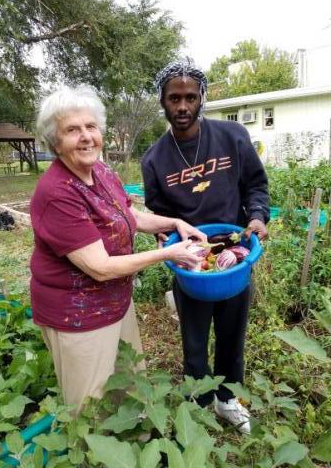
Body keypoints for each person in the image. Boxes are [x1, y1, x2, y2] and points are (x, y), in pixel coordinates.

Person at [30, 85, 206, 415]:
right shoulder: (57, 193)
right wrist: (169, 253)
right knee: (92, 406)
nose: (85, 137)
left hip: (115, 299)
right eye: (72, 130)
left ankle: (133, 447)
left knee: (128, 385)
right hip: (77, 315)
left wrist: (174, 223)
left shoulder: (100, 170)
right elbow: (100, 267)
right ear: (55, 142)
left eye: (90, 127)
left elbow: (130, 216)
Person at [141, 60, 269, 434]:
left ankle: (228, 401)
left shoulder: (232, 137)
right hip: (191, 260)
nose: (183, 106)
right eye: (174, 98)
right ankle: (198, 404)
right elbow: (161, 215)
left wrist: (258, 217)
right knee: (194, 341)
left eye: (190, 97)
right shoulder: (154, 159)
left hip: (234, 255)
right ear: (163, 102)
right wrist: (165, 239)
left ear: (202, 99)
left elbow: (256, 187)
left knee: (232, 335)